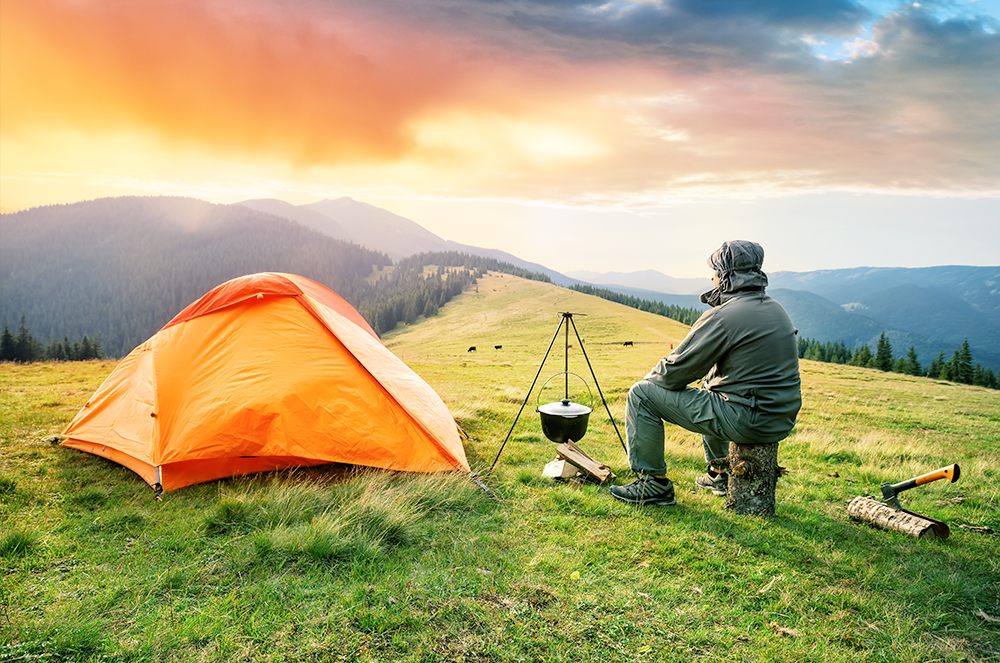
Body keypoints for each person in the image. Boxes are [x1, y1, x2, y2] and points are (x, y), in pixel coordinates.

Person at [609, 240, 801, 506]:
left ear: (726, 275)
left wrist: (651, 382)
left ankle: (652, 484)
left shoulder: (726, 315)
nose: (711, 276)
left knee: (641, 395)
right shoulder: (775, 308)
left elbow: (674, 373)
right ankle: (718, 473)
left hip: (748, 420)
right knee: (712, 390)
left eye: (715, 270)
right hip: (780, 418)